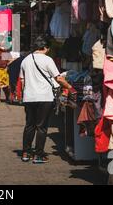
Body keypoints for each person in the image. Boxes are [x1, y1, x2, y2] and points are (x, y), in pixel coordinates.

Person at [19, 35, 76, 164]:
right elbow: (59, 78)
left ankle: (26, 152)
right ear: (45, 47)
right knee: (41, 127)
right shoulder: (48, 60)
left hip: (29, 97)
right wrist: (70, 87)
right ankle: (38, 155)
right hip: (44, 97)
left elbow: (22, 81)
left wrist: (25, 93)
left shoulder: (26, 60)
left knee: (29, 125)